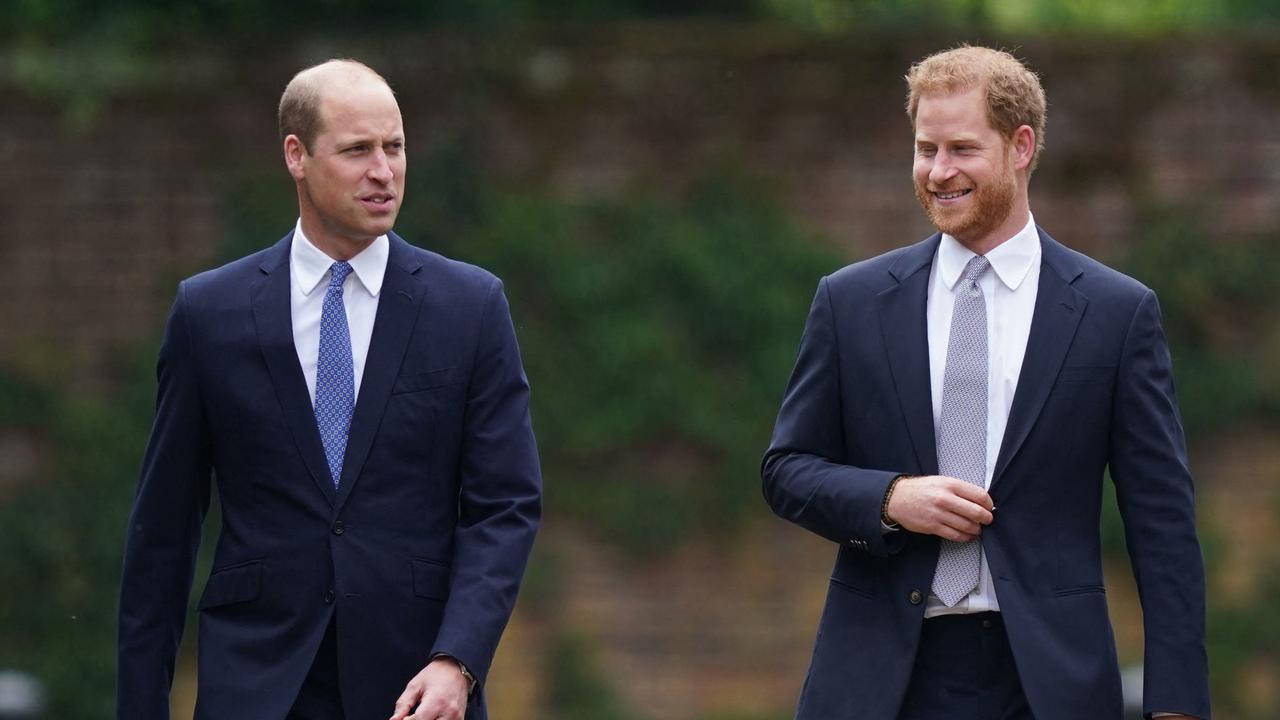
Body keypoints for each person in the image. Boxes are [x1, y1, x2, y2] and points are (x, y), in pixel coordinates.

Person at [762, 46, 1208, 720]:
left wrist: (1178, 701)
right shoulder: (849, 301)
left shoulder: (1117, 314)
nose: (938, 172)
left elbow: (1163, 522)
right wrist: (890, 498)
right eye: (925, 149)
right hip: (879, 682)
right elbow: (787, 471)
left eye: (961, 149)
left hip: (1049, 685)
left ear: (1020, 146)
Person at [117, 59, 542, 720]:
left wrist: (458, 660)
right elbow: (163, 534)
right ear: (297, 155)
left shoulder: (471, 307)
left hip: (417, 689)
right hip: (256, 686)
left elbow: (505, 505)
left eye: (394, 147)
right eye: (357, 150)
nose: (383, 171)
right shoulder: (210, 314)